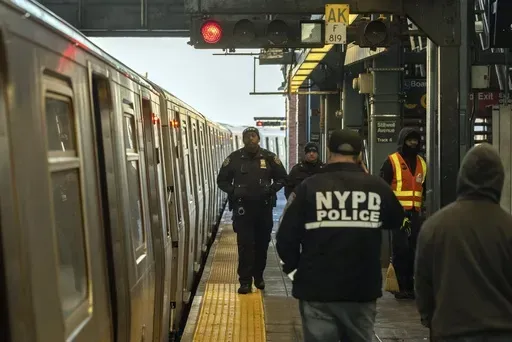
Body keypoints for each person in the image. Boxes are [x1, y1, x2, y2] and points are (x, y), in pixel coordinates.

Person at [276, 129, 404, 342]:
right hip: (361, 288)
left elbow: (285, 237)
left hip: (316, 287)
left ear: (328, 150)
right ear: (360, 154)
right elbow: (396, 220)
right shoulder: (376, 186)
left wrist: (295, 270)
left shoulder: (309, 187)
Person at [415, 143, 512, 341]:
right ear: (499, 180)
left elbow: (423, 283)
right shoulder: (508, 227)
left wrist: (431, 320)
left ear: (462, 177)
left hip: (450, 332)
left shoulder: (434, 226)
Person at [217, 126, 287, 294]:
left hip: (263, 209)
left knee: (262, 245)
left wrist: (271, 190)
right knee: (245, 245)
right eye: (247, 136)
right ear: (243, 139)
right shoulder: (234, 159)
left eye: (253, 136)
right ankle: (245, 281)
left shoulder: (270, 158)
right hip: (243, 210)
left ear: (258, 138)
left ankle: (259, 276)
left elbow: (282, 177)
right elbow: (222, 180)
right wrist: (234, 191)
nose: (250, 139)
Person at [379, 127, 426, 300]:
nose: (413, 143)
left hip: (415, 214)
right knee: (400, 250)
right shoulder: (392, 161)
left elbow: (424, 188)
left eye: (415, 140)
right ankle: (400, 286)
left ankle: (411, 285)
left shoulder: (422, 162)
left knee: (414, 249)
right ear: (402, 141)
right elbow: (383, 187)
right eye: (409, 140)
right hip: (398, 214)